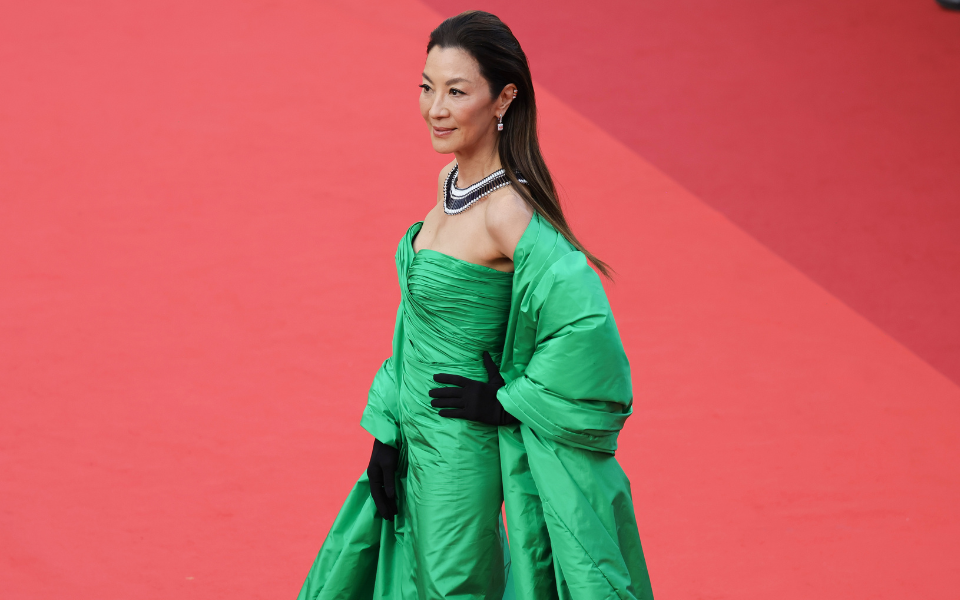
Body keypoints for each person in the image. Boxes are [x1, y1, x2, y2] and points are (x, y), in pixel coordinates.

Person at [298, 10, 654, 600]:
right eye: (426, 86)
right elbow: (416, 320)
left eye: (456, 91)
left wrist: (509, 401)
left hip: (460, 457)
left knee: (450, 587)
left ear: (502, 99)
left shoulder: (508, 213)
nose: (435, 108)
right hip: (412, 441)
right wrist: (386, 431)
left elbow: (586, 328)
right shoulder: (450, 188)